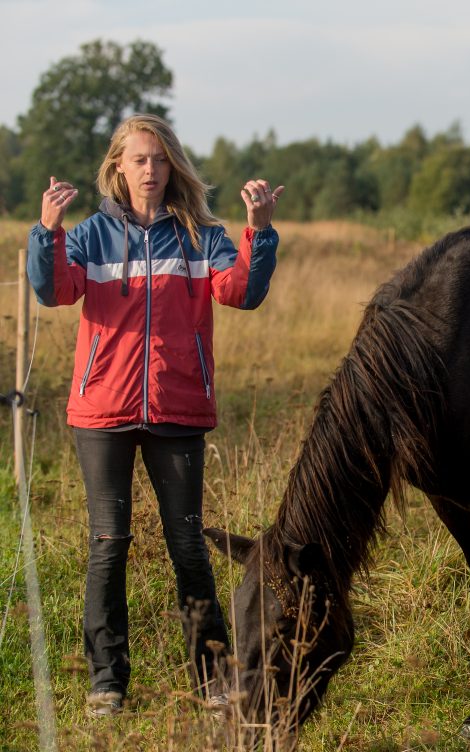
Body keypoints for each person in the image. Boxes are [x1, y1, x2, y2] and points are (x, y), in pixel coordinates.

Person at [26, 113, 284, 717]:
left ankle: (214, 680)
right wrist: (47, 230)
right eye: (140, 159)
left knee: (188, 544)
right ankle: (107, 682)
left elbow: (242, 292)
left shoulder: (200, 235)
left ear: (174, 167)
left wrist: (258, 233)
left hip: (177, 410)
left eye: (161, 160)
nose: (151, 170)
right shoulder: (89, 235)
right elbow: (52, 291)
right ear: (119, 166)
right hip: (102, 411)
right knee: (108, 543)